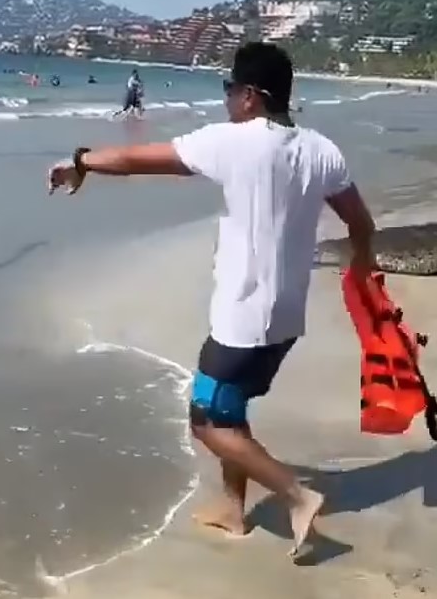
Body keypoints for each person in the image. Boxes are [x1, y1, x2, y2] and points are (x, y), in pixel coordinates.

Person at [47, 42, 375, 558]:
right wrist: (361, 265)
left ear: (249, 96)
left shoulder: (234, 141)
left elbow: (136, 159)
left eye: (229, 89)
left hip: (242, 317)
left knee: (205, 422)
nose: (225, 99)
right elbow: (361, 223)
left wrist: (80, 160)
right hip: (287, 315)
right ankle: (231, 509)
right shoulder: (320, 149)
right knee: (231, 411)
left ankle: (296, 495)